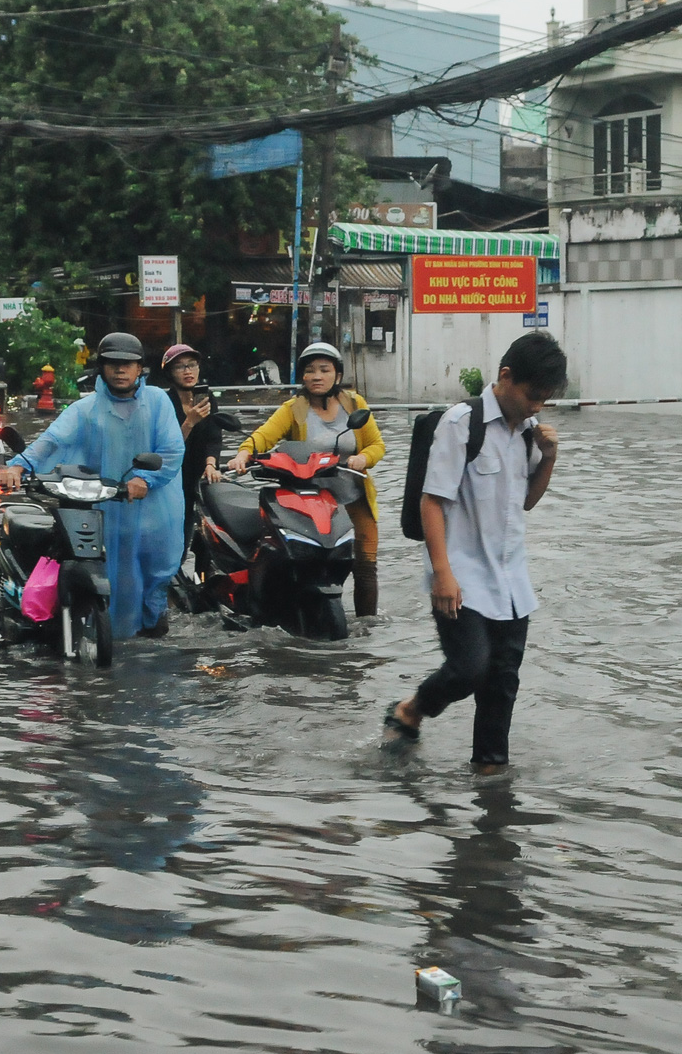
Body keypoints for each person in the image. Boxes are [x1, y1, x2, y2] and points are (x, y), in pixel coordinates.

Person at [382, 331, 567, 775]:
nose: (537, 406)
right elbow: (433, 500)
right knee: (468, 669)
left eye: (546, 399)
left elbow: (525, 501)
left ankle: (490, 777)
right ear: (506, 377)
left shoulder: (526, 433)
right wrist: (442, 573)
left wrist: (549, 458)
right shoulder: (461, 423)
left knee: (502, 685)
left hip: (510, 581)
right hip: (460, 574)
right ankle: (410, 710)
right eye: (532, 395)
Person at [7, 332, 185, 639]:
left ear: (140, 367)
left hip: (156, 508)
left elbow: (171, 450)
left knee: (156, 574)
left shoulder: (158, 402)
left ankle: (153, 629)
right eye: (112, 363)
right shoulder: (85, 408)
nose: (120, 370)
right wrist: (20, 464)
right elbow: (52, 440)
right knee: (107, 569)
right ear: (101, 367)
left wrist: (145, 479)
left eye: (127, 364)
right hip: (108, 505)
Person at [228, 342, 386, 617]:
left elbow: (376, 444)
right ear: (302, 376)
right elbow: (264, 435)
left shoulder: (355, 404)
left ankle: (366, 626)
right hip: (310, 501)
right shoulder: (294, 409)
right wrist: (243, 454)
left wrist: (363, 459)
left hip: (353, 497)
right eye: (310, 371)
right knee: (303, 560)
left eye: (324, 370)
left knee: (365, 565)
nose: (317, 376)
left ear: (337, 375)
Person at [160, 344, 222, 569]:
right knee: (173, 536)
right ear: (169, 372)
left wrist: (211, 464)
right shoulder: (164, 403)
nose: (188, 371)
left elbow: (214, 436)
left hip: (198, 476)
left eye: (192, 365)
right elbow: (166, 447)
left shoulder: (206, 398)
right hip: (171, 479)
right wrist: (189, 422)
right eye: (180, 367)